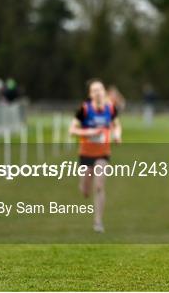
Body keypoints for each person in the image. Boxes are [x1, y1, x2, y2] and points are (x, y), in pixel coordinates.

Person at [69, 78, 122, 233]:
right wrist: (89, 132)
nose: (98, 93)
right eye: (95, 90)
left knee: (99, 186)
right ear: (90, 94)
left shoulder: (110, 108)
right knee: (86, 189)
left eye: (100, 89)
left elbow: (117, 125)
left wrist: (117, 135)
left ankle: (98, 221)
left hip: (102, 153)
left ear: (104, 92)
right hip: (86, 153)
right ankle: (84, 187)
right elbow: (72, 130)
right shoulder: (84, 109)